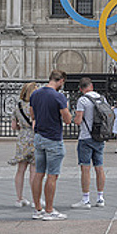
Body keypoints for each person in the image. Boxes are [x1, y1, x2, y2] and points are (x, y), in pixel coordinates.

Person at [30, 70, 72, 221]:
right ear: (60, 81)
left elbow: (32, 115)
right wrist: (66, 108)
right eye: (63, 83)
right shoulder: (59, 96)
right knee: (52, 176)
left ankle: (37, 209)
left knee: (38, 174)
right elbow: (67, 120)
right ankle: (49, 211)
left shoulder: (35, 94)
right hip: (53, 138)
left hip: (39, 137)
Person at [71, 77, 108, 209]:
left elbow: (78, 120)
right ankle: (100, 197)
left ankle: (86, 199)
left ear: (81, 89)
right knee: (99, 167)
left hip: (86, 137)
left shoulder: (82, 100)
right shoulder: (102, 98)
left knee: (85, 168)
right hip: (99, 137)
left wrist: (74, 117)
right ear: (91, 86)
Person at [8, 82, 38, 208]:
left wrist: (21, 126)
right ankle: (35, 198)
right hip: (34, 139)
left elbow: (14, 126)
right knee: (34, 171)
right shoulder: (35, 106)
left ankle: (19, 198)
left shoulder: (18, 107)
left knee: (20, 170)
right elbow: (35, 125)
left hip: (22, 139)